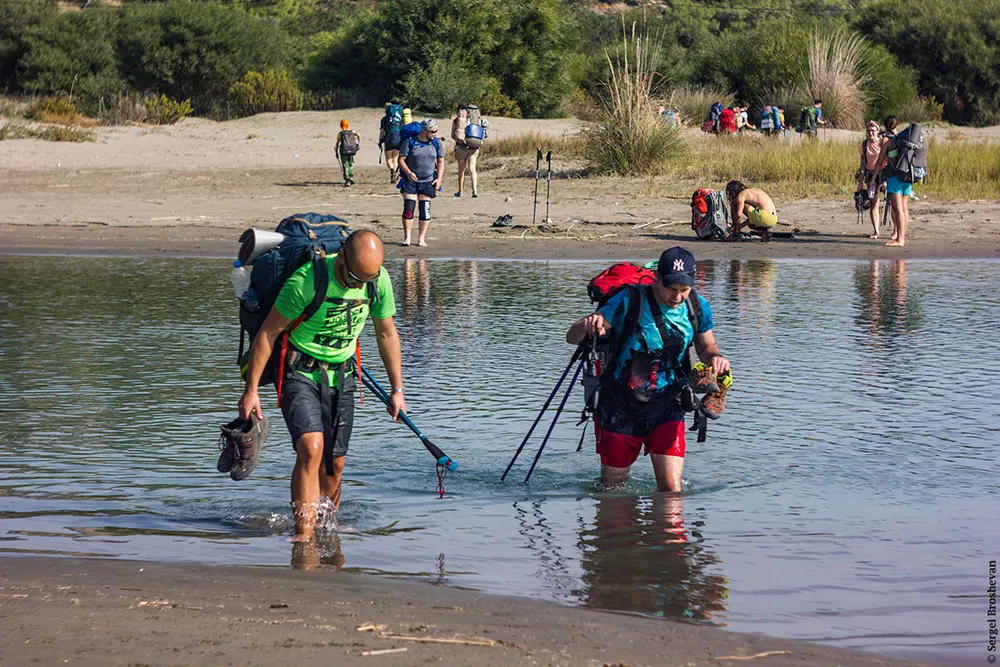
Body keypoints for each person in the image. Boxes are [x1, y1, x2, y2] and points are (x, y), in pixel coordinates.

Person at [238, 231, 405, 543]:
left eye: (365, 279)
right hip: (298, 371)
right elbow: (267, 334)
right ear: (341, 256)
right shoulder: (306, 281)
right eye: (354, 277)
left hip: (342, 376)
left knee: (335, 463)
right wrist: (251, 391)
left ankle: (326, 527)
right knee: (311, 449)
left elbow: (386, 334)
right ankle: (303, 534)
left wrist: (397, 389)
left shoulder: (377, 281)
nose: (358, 285)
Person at [566, 247, 730, 492]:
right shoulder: (629, 300)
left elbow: (707, 347)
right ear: (656, 278)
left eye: (683, 290)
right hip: (620, 407)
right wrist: (588, 325)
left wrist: (715, 358)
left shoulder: (697, 306)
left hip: (668, 406)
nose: (677, 296)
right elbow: (572, 337)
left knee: (672, 492)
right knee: (613, 490)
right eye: (671, 288)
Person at [398, 118, 445, 247]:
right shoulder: (410, 142)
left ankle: (421, 239)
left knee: (425, 210)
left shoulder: (436, 143)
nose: (435, 134)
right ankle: (407, 237)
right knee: (409, 208)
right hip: (410, 181)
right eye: (433, 131)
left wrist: (439, 179)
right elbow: (401, 159)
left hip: (428, 181)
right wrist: (408, 172)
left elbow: (440, 161)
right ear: (425, 131)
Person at [873, 115, 910, 247]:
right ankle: (901, 236)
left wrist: (873, 179)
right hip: (907, 177)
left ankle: (900, 240)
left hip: (895, 178)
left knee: (898, 209)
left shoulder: (887, 141)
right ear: (896, 125)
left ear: (885, 126)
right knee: (904, 208)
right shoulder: (904, 138)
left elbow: (879, 162)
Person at [857, 120, 884, 238]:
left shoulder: (883, 143)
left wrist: (886, 181)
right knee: (874, 203)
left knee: (892, 203)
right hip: (870, 175)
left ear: (877, 131)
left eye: (872, 131)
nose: (870, 133)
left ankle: (896, 232)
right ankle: (876, 231)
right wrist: (860, 183)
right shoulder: (864, 145)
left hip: (883, 174)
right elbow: (862, 165)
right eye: (868, 131)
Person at [451, 105, 479, 198]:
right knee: (472, 169)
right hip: (474, 146)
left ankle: (460, 191)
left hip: (461, 147)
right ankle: (474, 190)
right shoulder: (476, 120)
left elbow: (452, 135)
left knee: (461, 170)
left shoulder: (456, 121)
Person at [378, 102, 402, 183]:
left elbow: (382, 131)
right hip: (398, 139)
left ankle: (392, 171)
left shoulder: (384, 119)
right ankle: (395, 172)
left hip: (389, 139)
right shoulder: (399, 118)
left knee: (389, 159)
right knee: (395, 159)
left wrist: (380, 141)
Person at [334, 119, 360, 187]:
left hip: (343, 151)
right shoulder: (352, 131)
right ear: (347, 125)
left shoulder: (340, 134)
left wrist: (336, 151)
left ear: (340, 126)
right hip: (351, 150)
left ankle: (347, 179)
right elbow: (358, 135)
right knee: (351, 163)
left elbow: (337, 144)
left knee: (345, 164)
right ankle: (351, 178)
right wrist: (357, 144)